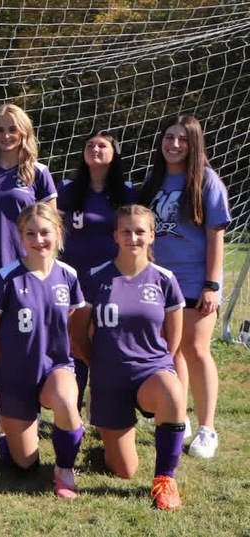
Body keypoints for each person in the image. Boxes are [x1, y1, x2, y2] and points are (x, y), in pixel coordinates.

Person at [70, 204, 186, 510]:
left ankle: (165, 479)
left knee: (173, 391)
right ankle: (108, 438)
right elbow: (78, 333)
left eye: (140, 231)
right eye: (126, 231)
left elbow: (173, 338)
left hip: (150, 372)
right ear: (116, 235)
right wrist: (98, 366)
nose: (133, 237)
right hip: (109, 377)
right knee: (124, 470)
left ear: (151, 236)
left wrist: (161, 366)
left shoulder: (164, 279)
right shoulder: (96, 277)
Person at [139, 114, 230, 459]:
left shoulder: (206, 181)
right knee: (171, 349)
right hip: (160, 282)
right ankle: (180, 417)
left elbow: (215, 237)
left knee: (196, 348)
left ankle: (207, 429)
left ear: (194, 144)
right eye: (168, 137)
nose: (174, 144)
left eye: (182, 139)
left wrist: (211, 284)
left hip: (195, 281)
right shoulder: (154, 180)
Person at [0, 202, 84, 499]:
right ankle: (10, 435)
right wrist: (11, 363)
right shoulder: (5, 278)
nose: (39, 240)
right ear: (20, 236)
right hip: (17, 374)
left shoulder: (68, 276)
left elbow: (72, 330)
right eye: (30, 233)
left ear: (58, 233)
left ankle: (65, 469)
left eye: (45, 232)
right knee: (23, 465)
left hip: (56, 368)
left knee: (65, 398)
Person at [0, 103, 57, 440]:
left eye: (12, 129)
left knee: (21, 340)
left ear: (24, 133)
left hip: (27, 272)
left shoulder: (38, 173)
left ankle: (19, 405)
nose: (6, 136)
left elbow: (50, 226)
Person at [57, 131, 136, 415]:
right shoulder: (68, 189)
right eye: (90, 145)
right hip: (73, 279)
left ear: (114, 154)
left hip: (110, 280)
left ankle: (102, 405)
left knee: (105, 342)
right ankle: (71, 408)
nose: (95, 148)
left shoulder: (126, 193)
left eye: (102, 145)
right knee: (74, 342)